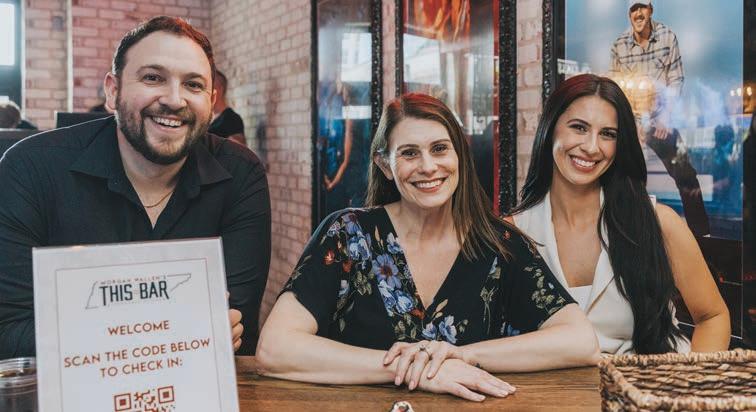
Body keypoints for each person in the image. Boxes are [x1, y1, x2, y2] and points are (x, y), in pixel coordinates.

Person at [256, 93, 599, 402]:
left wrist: (458, 355)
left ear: (459, 155)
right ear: (385, 165)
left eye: (439, 149)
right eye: (409, 153)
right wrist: (411, 369)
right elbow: (275, 348)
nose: (428, 166)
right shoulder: (347, 234)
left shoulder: (499, 245)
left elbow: (580, 341)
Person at [0, 16, 271, 358]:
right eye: (153, 77)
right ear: (113, 91)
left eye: (193, 85)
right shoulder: (31, 168)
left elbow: (233, 326)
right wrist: (172, 329)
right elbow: (11, 332)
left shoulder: (241, 174)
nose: (175, 99)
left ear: (211, 101)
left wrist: (89, 328)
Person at [509, 74, 730, 354]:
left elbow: (712, 317)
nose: (591, 147)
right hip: (559, 384)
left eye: (608, 134)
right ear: (550, 128)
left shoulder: (659, 223)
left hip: (656, 380)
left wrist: (694, 379)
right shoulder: (512, 235)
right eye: (579, 128)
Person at [608, 0, 710, 236]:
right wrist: (629, 124)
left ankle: (701, 234)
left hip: (660, 119)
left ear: (651, 10)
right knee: (622, 176)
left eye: (642, 7)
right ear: (628, 14)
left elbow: (676, 79)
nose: (638, 13)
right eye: (633, 9)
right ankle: (624, 232)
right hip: (631, 120)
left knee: (685, 174)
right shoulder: (618, 45)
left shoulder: (667, 36)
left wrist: (665, 116)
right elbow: (615, 88)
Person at [209, 70, 246, 145]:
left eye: (211, 87)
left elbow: (238, 149)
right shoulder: (208, 119)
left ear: (220, 89)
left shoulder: (232, 118)